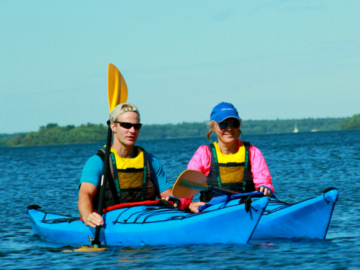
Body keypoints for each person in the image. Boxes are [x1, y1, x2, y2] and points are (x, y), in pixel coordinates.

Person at [78, 103, 184, 227]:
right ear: (113, 126)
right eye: (126, 125)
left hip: (147, 220)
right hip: (110, 222)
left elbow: (169, 196)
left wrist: (183, 204)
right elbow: (85, 194)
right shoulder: (98, 162)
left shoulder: (151, 161)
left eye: (136, 126)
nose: (132, 131)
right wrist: (87, 216)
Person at [187, 102, 274, 213]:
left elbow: (264, 181)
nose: (229, 128)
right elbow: (187, 187)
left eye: (234, 123)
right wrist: (187, 205)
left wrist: (265, 188)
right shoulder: (204, 153)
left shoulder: (253, 152)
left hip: (247, 209)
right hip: (212, 211)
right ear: (213, 127)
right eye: (223, 124)